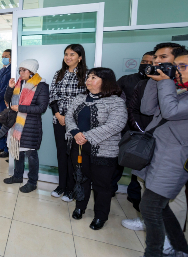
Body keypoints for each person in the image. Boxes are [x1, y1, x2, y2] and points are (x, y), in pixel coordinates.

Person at [122, 43, 185, 232]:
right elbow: (146, 109)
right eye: (156, 57)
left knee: (173, 196)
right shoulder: (167, 83)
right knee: (145, 184)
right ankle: (147, 221)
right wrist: (155, 80)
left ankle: (172, 240)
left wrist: (165, 82)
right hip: (154, 144)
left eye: (162, 57)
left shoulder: (182, 87)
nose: (157, 61)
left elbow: (170, 112)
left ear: (178, 60)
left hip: (175, 151)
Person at [65, 67, 127, 231]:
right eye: (88, 77)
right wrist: (75, 133)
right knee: (81, 178)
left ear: (105, 82)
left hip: (104, 151)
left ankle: (100, 215)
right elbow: (69, 116)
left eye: (93, 78)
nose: (88, 80)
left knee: (102, 185)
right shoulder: (80, 98)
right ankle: (80, 207)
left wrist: (85, 136)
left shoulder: (116, 101)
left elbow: (116, 125)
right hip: (78, 148)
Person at [110, 51, 154, 204]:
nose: (146, 64)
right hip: (124, 128)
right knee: (117, 161)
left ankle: (134, 197)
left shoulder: (157, 82)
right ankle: (110, 189)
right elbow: (114, 100)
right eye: (144, 61)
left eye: (150, 62)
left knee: (139, 164)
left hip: (145, 131)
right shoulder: (127, 80)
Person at [2, 59, 49, 193]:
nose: (21, 73)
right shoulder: (18, 84)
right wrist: (10, 88)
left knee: (31, 155)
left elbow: (42, 107)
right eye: (20, 70)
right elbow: (7, 100)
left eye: (24, 70)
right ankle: (17, 176)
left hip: (31, 126)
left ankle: (32, 182)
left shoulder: (41, 86)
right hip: (17, 124)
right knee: (18, 153)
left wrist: (20, 108)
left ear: (32, 72)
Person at [49, 44, 88, 202]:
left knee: (74, 155)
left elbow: (86, 100)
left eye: (72, 54)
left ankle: (71, 188)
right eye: (66, 54)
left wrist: (69, 117)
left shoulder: (86, 75)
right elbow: (52, 95)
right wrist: (58, 114)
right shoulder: (59, 74)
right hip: (59, 119)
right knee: (61, 152)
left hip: (77, 122)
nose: (68, 57)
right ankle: (62, 186)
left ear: (80, 57)